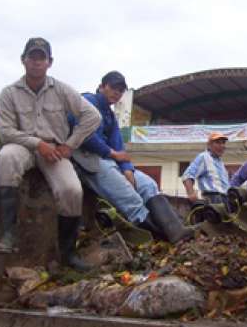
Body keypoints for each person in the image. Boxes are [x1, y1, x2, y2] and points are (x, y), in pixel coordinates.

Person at [0, 37, 101, 272]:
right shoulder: (9, 93)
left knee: (72, 190)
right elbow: (6, 132)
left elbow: (92, 116)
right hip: (22, 145)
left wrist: (70, 145)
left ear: (49, 62)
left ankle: (68, 254)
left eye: (41, 57)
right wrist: (36, 143)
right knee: (6, 157)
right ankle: (8, 234)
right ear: (23, 60)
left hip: (55, 151)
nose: (36, 62)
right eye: (32, 56)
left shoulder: (61, 89)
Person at [69, 71, 192, 243]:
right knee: (130, 197)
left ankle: (176, 229)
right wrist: (113, 155)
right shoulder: (87, 101)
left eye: (120, 90)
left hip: (109, 159)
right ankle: (161, 238)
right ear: (102, 86)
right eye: (113, 88)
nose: (117, 93)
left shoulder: (110, 115)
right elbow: (85, 135)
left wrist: (127, 169)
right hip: (87, 158)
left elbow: (118, 144)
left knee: (148, 185)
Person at [182, 132, 230, 205]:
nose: (222, 146)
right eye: (218, 143)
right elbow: (187, 175)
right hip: (213, 199)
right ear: (209, 145)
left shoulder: (220, 162)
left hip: (225, 199)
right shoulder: (204, 157)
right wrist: (191, 193)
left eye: (223, 143)